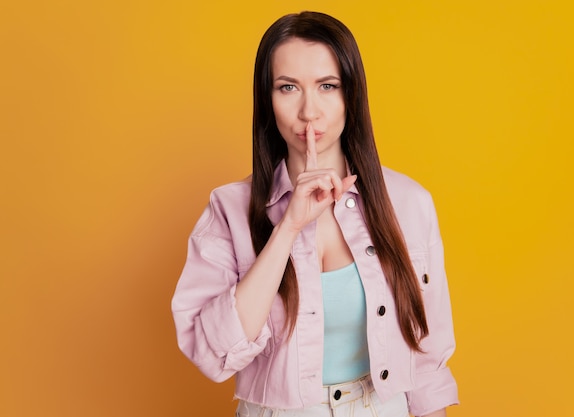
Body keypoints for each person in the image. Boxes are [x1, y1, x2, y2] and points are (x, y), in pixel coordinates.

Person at [172, 11, 458, 417]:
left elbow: (427, 358)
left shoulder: (408, 203)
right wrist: (288, 227)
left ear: (351, 95)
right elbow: (211, 353)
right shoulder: (229, 210)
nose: (309, 111)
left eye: (328, 86)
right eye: (288, 87)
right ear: (267, 100)